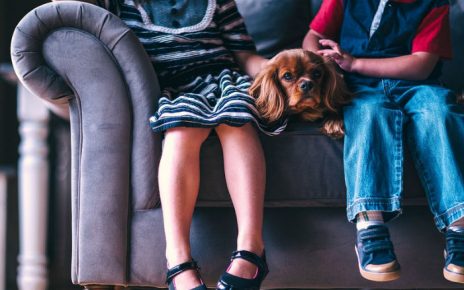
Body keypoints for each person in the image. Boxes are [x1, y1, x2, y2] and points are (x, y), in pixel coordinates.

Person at [52, 0, 285, 289]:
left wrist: (277, 67)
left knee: (237, 121)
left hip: (224, 79)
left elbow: (244, 55)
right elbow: (68, 6)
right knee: (181, 130)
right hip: (173, 87)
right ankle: (178, 260)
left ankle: (251, 248)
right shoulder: (121, 4)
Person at [303, 0, 464, 283]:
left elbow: (421, 65)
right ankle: (369, 223)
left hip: (417, 85)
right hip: (359, 87)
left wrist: (355, 62)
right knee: (368, 114)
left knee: (439, 112)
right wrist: (319, 61)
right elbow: (313, 35)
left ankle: (459, 224)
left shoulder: (434, 5)